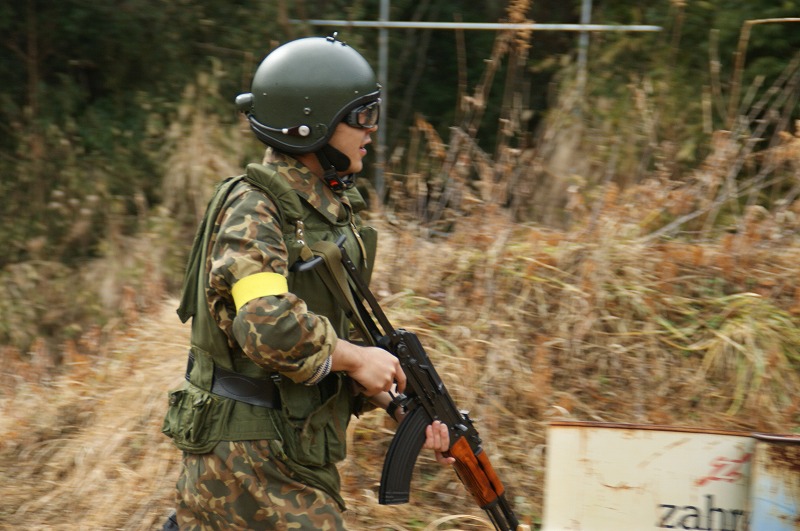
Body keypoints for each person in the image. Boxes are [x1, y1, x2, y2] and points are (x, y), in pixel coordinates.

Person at [161, 34, 453, 530]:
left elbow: (325, 335)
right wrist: (357, 358)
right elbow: (266, 323)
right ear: (311, 125)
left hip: (287, 445)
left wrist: (395, 401)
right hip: (249, 453)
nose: (372, 130)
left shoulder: (323, 209)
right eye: (361, 116)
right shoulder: (255, 208)